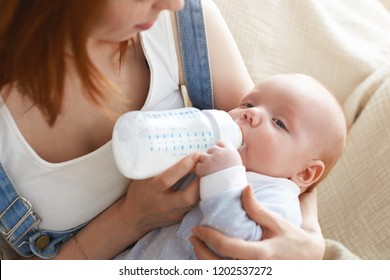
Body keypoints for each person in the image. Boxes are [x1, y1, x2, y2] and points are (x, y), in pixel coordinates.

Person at [0, 0, 324, 260]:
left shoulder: (182, 26)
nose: (174, 4)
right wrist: (131, 217)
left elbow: (288, 160)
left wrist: (309, 241)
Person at [115, 73, 347, 260]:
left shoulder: (280, 200)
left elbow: (241, 245)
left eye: (279, 123)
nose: (251, 113)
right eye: (248, 103)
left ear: (305, 173)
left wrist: (224, 177)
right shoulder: (211, 155)